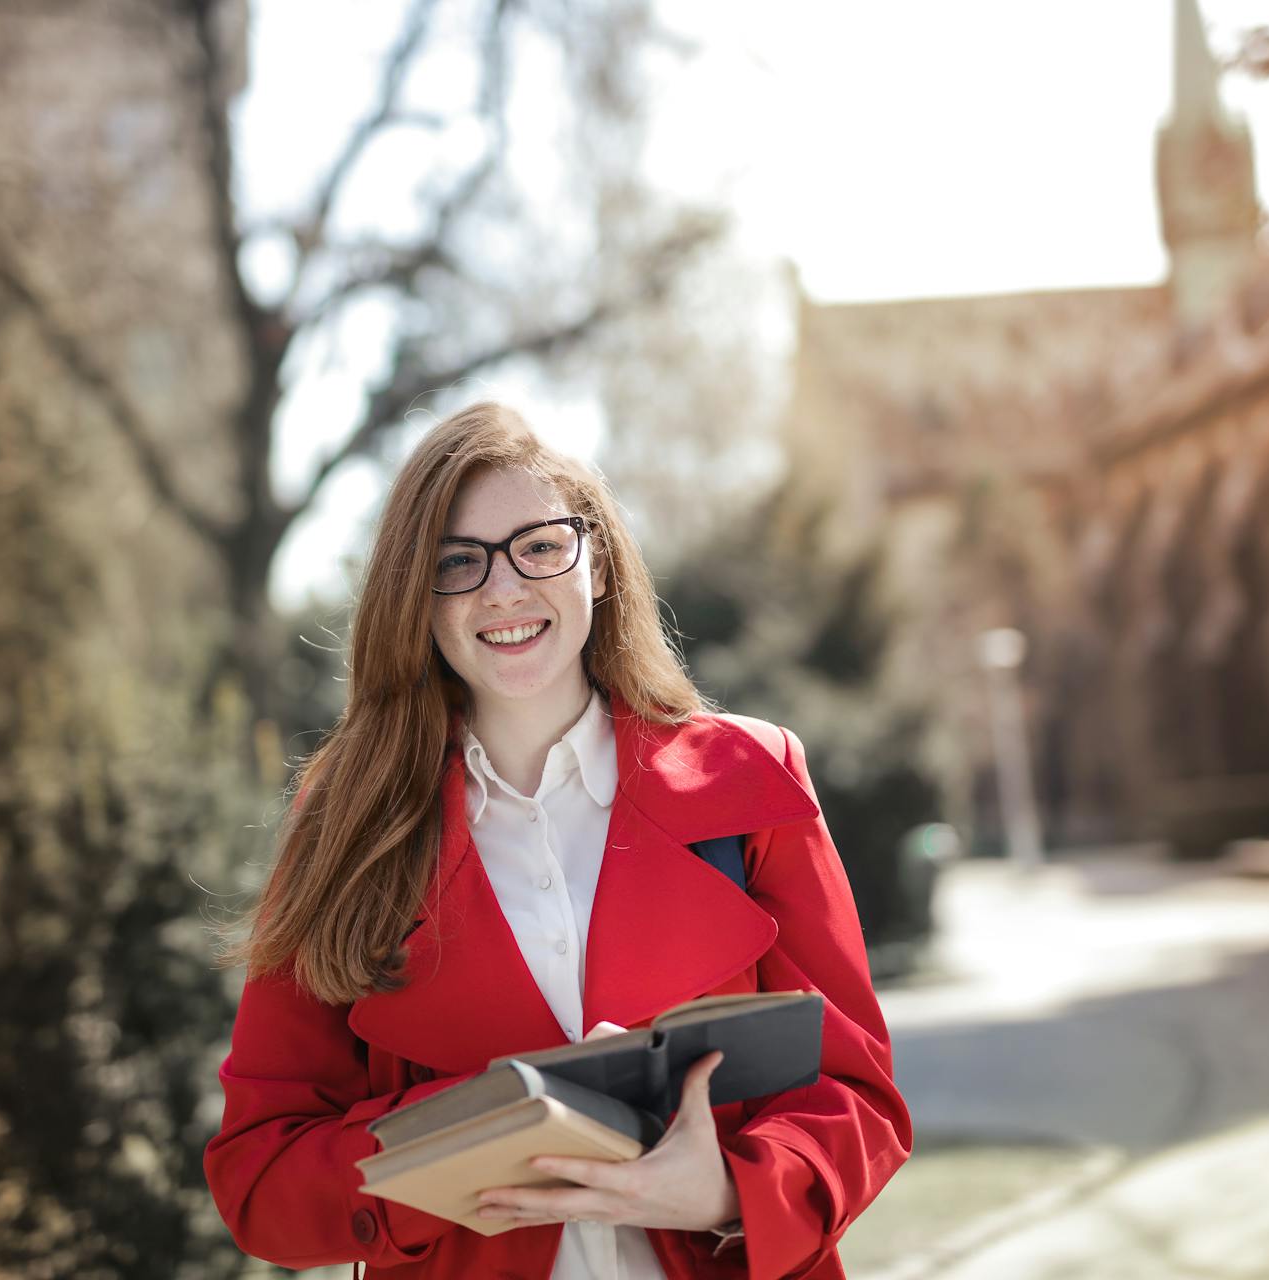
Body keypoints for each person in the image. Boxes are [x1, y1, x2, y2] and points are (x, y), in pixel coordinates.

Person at [204, 402, 911, 1279]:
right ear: (415, 600)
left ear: (599, 562)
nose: (503, 589)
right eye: (457, 562)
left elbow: (860, 1099)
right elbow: (258, 1176)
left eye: (538, 546)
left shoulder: (751, 779)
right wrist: (460, 1140)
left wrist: (730, 1189)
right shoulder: (342, 819)